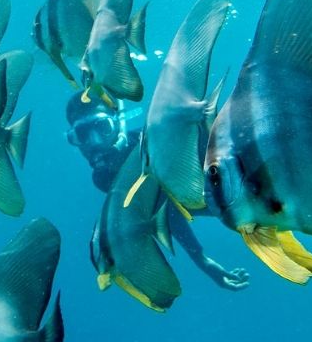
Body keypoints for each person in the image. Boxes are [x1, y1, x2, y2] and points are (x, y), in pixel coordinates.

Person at [65, 93, 249, 291]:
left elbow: (166, 205)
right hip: (241, 200)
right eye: (82, 134)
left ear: (119, 125)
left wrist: (200, 258)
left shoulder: (152, 143)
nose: (95, 142)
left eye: (102, 128)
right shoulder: (104, 179)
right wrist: (201, 258)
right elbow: (165, 209)